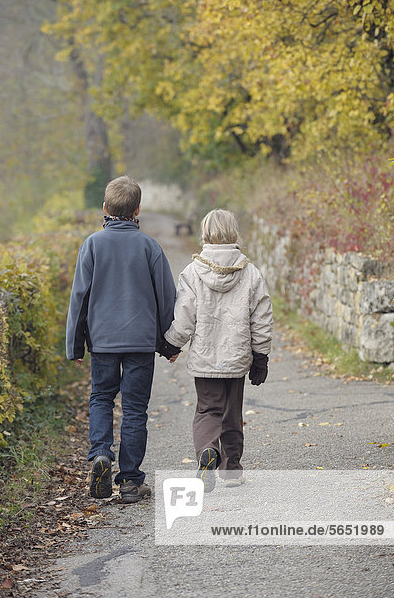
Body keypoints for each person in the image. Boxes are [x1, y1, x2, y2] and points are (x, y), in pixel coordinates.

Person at [66, 176, 176, 503]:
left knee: (101, 397)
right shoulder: (150, 247)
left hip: (102, 342)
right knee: (134, 409)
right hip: (141, 343)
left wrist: (75, 345)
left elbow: (79, 298)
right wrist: (168, 344)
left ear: (104, 208)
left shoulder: (92, 245)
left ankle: (100, 453)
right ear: (138, 209)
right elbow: (166, 300)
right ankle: (129, 482)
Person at [161, 209, 273, 491]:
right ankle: (232, 470)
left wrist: (171, 343)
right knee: (232, 413)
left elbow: (185, 316)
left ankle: (207, 452)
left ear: (205, 234)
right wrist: (261, 356)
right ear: (235, 234)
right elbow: (262, 317)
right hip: (236, 358)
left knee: (208, 410)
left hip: (205, 358)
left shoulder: (192, 272)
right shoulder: (251, 273)